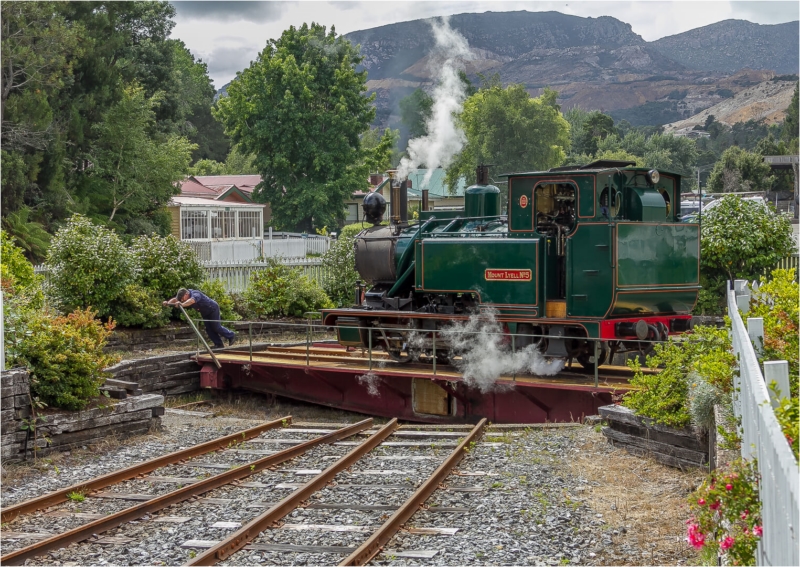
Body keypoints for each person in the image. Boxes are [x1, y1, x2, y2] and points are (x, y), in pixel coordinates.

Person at [164, 288, 235, 349]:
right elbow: (175, 299)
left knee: (216, 327)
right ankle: (219, 344)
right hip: (204, 312)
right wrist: (167, 303)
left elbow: (192, 301)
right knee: (209, 329)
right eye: (181, 299)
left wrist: (182, 304)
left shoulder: (195, 294)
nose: (181, 300)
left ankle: (231, 335)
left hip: (212, 309)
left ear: (186, 294)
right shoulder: (183, 294)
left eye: (182, 299)